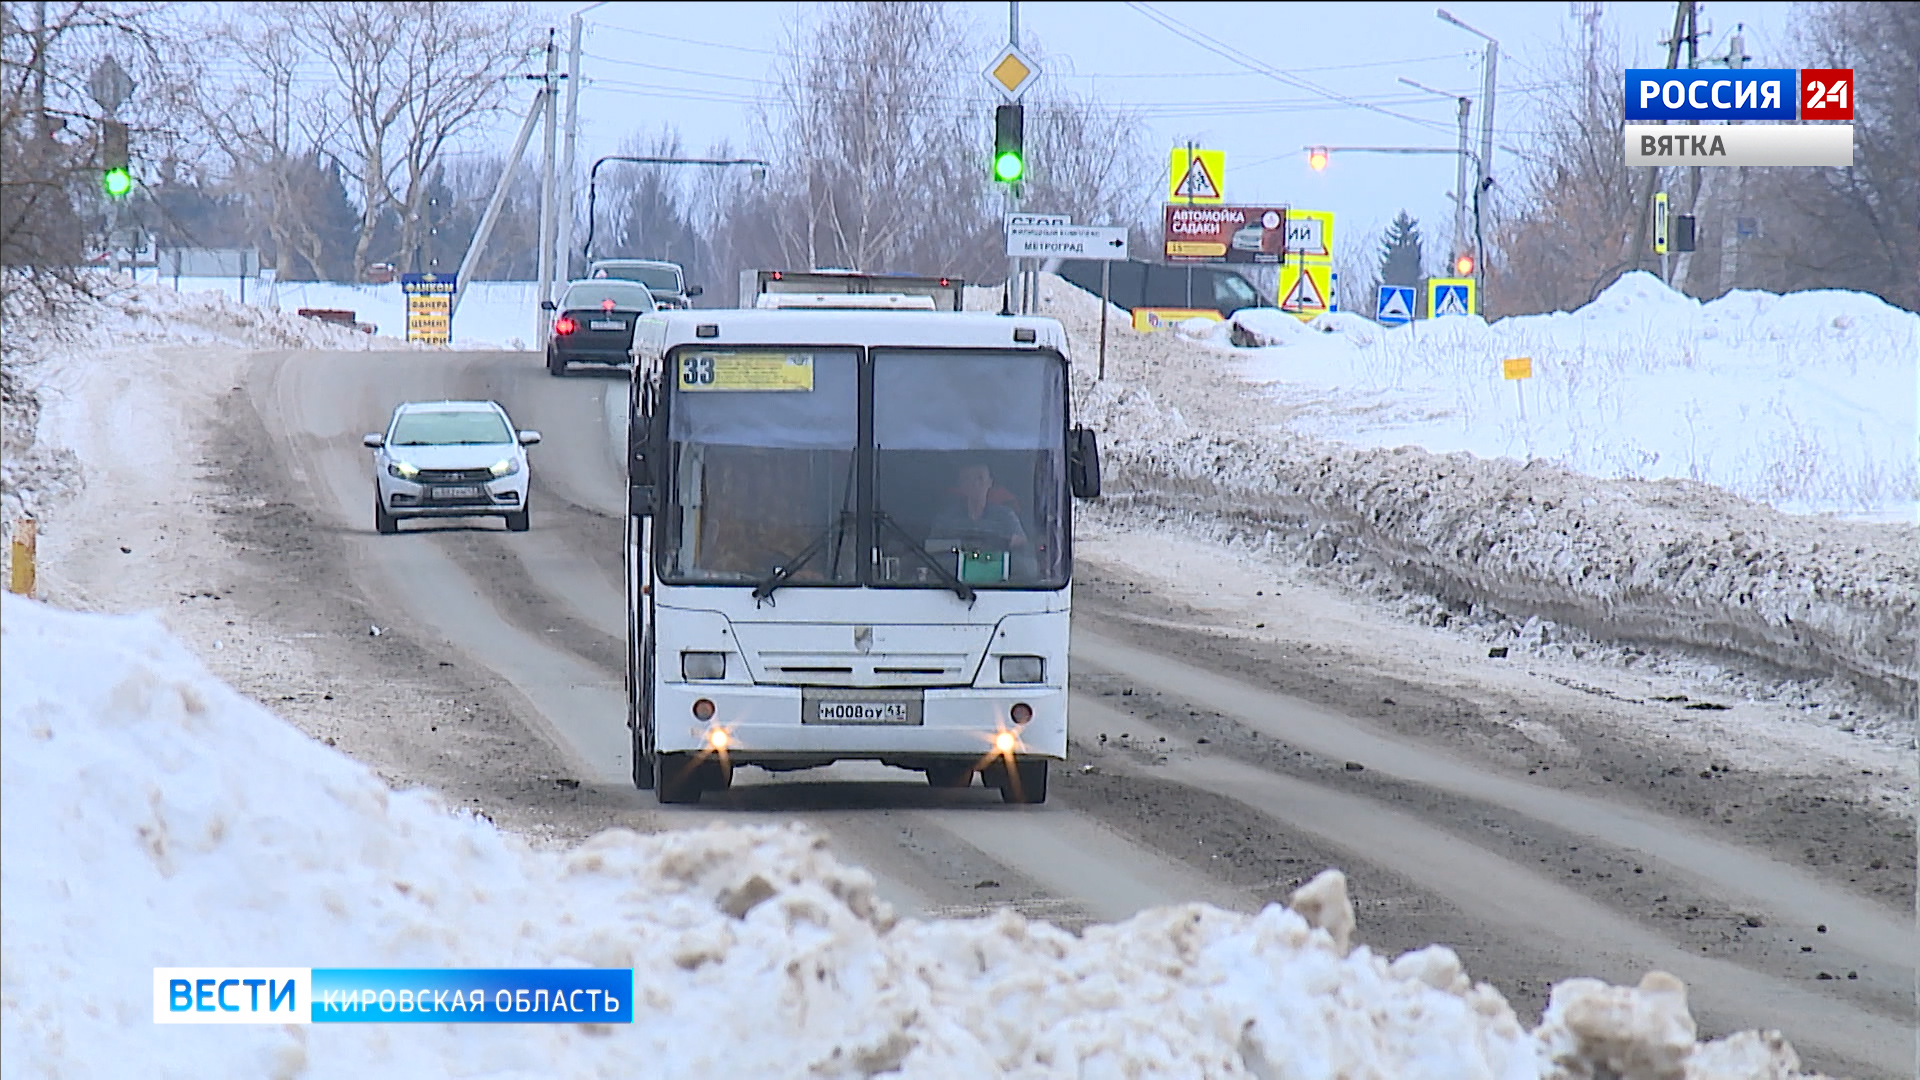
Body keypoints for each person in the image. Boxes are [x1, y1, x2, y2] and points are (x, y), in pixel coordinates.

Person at [926, 463, 1032, 581]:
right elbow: (931, 552)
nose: (975, 484)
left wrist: (1009, 543)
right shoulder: (946, 520)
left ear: (990, 482)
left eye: (980, 478)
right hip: (951, 587)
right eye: (968, 479)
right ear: (961, 485)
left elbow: (1024, 551)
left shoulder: (1006, 517)